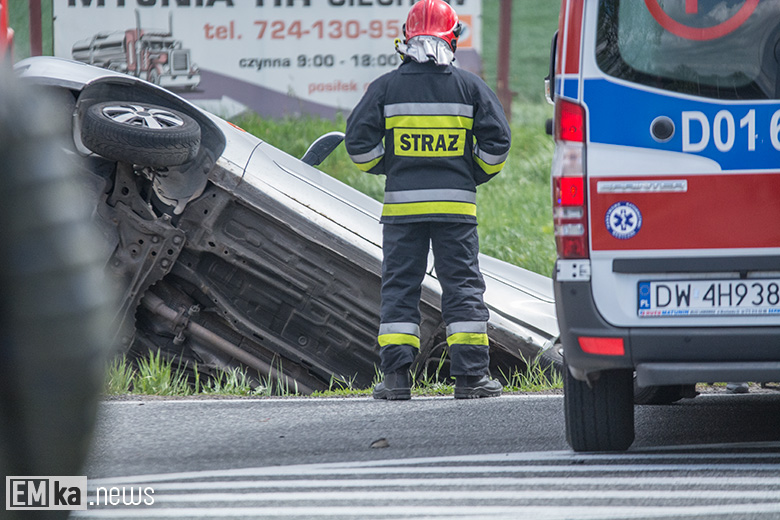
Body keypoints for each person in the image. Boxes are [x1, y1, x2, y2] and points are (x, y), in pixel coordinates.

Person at [345, 0, 511, 400]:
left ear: (406, 39)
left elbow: (357, 144)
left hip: (403, 210)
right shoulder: (470, 87)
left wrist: (390, 166)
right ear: (451, 39)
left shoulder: (385, 87)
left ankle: (396, 380)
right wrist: (473, 173)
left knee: (400, 287)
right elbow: (498, 143)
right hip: (456, 209)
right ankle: (471, 379)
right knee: (463, 287)